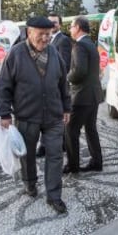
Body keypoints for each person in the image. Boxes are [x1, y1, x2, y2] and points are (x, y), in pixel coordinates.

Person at [0, 15, 71, 214]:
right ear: (29, 32)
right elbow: (4, 86)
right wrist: (4, 113)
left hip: (53, 116)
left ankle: (54, 196)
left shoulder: (54, 53)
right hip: (26, 116)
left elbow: (64, 84)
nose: (45, 38)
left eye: (48, 34)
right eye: (41, 34)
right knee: (27, 155)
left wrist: (66, 107)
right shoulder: (16, 54)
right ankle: (29, 182)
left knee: (55, 155)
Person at [63, 16, 104, 174]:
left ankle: (73, 166)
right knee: (90, 129)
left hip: (82, 96)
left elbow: (79, 70)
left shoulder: (80, 45)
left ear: (78, 27)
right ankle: (96, 161)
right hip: (93, 95)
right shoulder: (91, 44)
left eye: (72, 27)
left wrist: (67, 77)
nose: (70, 30)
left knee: (70, 129)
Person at [36, 12, 72, 158]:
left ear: (60, 24)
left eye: (55, 22)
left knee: (53, 116)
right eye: (49, 22)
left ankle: (47, 146)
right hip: (44, 87)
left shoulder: (63, 40)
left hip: (55, 86)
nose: (52, 24)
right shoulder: (47, 40)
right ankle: (51, 144)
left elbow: (65, 64)